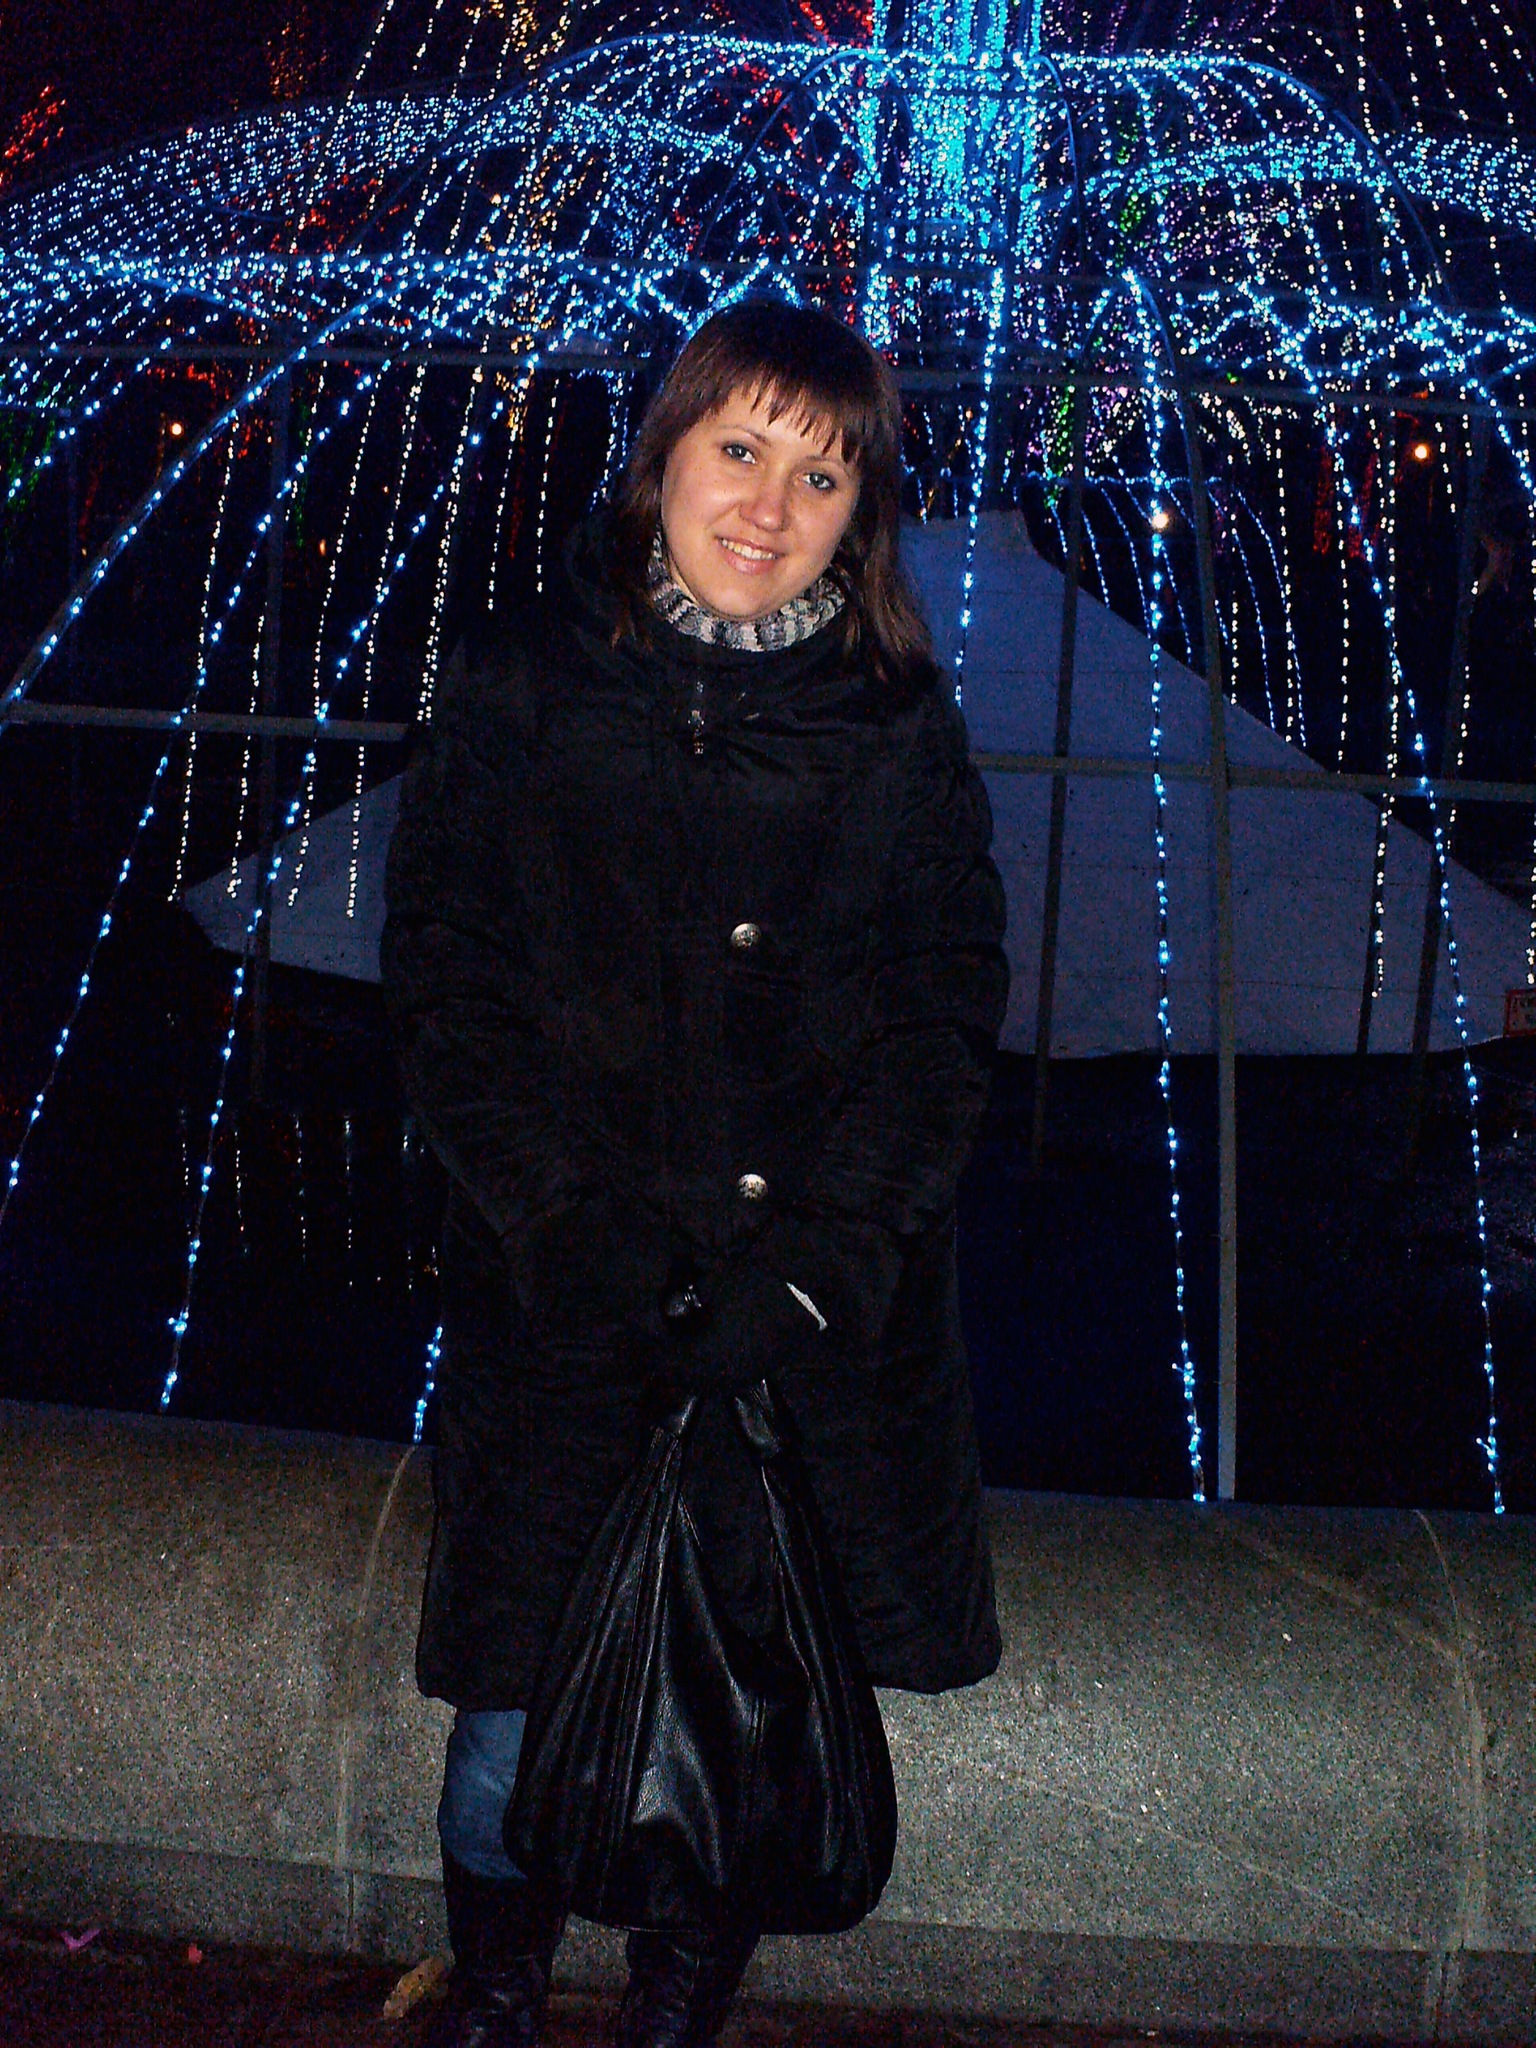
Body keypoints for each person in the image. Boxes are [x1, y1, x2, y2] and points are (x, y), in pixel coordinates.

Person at [381, 298, 1009, 2048]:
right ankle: (496, 1996)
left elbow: (943, 1014)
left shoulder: (894, 722)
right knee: (508, 1719)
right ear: (662, 457)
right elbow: (446, 983)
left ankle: (677, 2012)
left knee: (748, 1700)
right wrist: (561, 1225)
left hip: (793, 1329)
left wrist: (817, 1264)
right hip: (566, 1302)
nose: (768, 506)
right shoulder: (522, 683)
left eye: (822, 476)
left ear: (860, 514)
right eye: (738, 450)